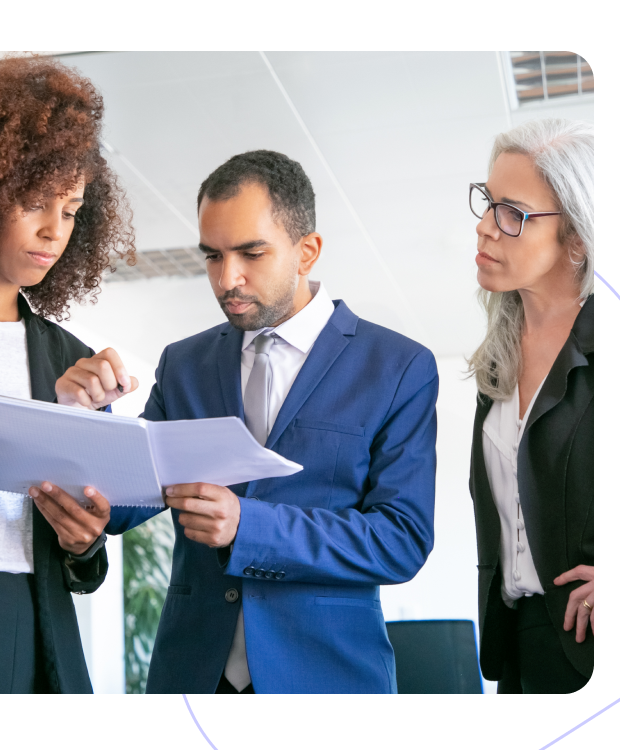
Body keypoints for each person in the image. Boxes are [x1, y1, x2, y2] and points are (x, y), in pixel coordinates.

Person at [57, 150, 438, 693]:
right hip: (192, 674)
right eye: (212, 255)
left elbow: (401, 540)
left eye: (250, 253)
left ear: (308, 251)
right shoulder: (183, 364)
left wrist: (249, 526)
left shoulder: (398, 366)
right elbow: (120, 505)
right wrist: (86, 417)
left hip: (326, 675)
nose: (226, 278)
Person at [0, 56, 137, 693]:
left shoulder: (70, 356)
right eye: (33, 203)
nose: (53, 231)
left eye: (70, 210)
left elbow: (87, 546)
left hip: (39, 635)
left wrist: (83, 539)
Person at [467, 118, 594, 693]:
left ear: (576, 236)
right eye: (488, 203)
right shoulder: (498, 355)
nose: (485, 228)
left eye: (512, 213)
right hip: (514, 637)